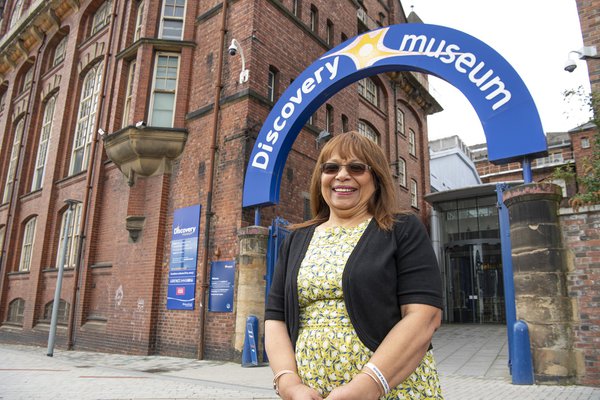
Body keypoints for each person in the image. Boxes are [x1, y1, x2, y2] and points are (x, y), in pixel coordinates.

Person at [265, 131, 444, 399]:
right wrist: (288, 383)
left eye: (357, 167)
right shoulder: (296, 239)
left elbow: (424, 316)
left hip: (393, 390)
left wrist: (369, 385)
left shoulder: (401, 230)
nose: (342, 175)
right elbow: (275, 317)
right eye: (331, 167)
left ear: (377, 178)